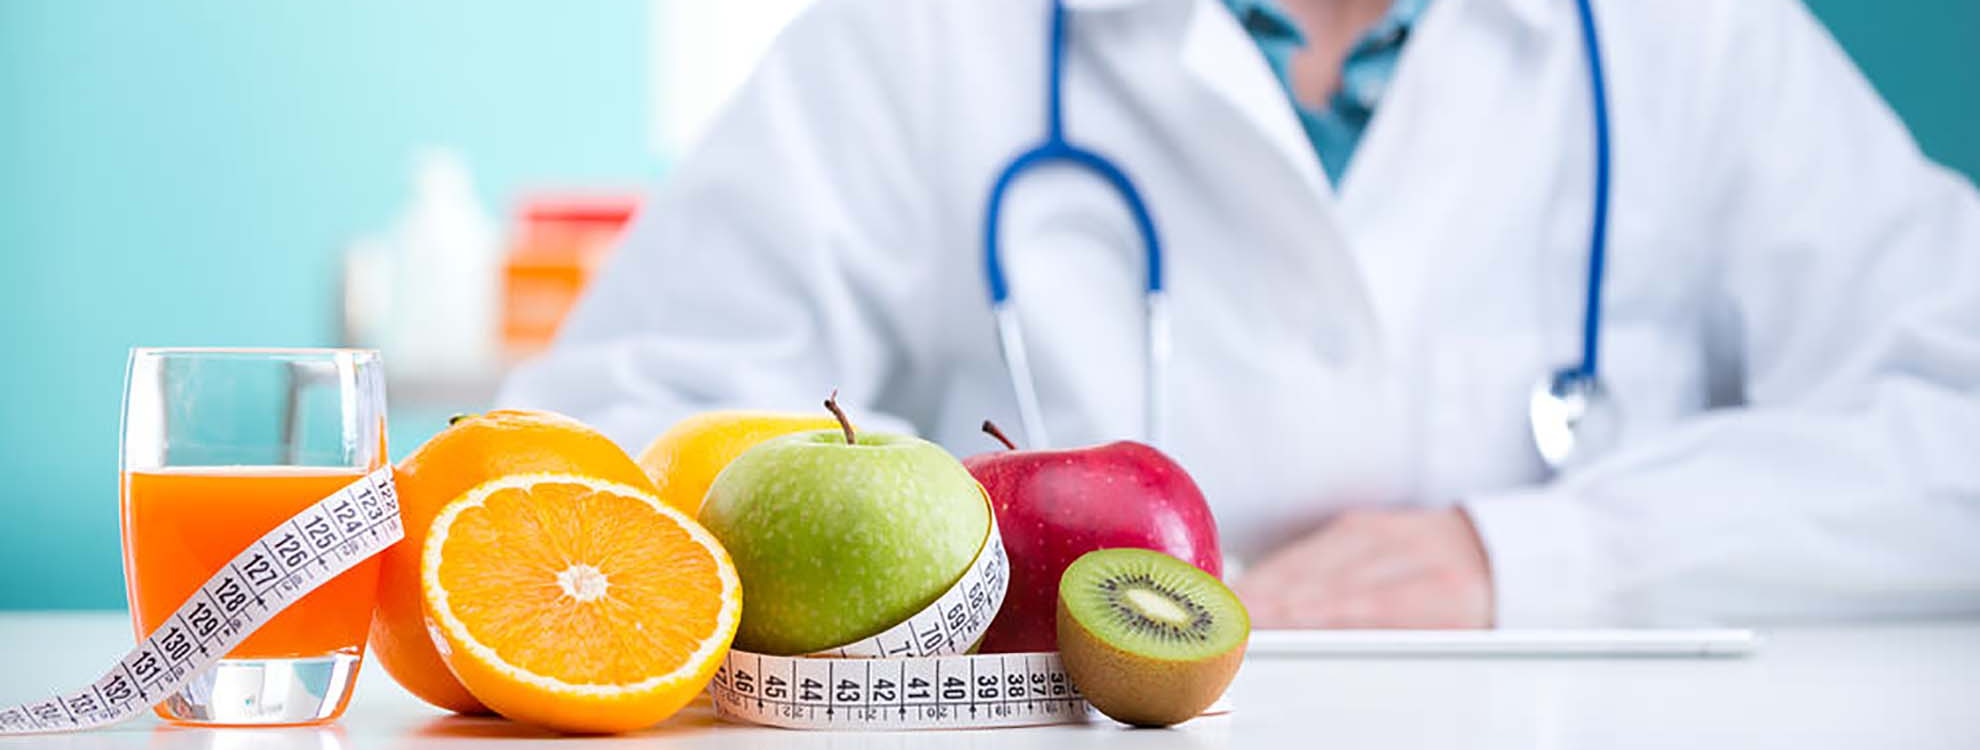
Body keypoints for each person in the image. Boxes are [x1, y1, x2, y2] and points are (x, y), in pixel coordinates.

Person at [498, 0, 1980, 629]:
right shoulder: (926, 35)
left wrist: (1543, 554)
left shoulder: (1693, 37)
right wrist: (974, 546)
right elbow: (614, 425)